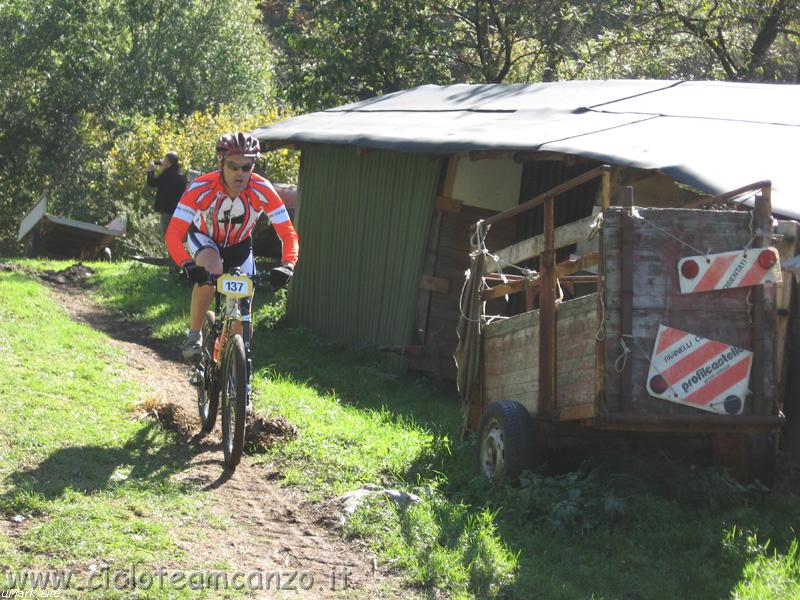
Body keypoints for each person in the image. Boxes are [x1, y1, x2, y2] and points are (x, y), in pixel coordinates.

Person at [164, 132, 299, 362]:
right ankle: (194, 335)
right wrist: (187, 264)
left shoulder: (262, 189)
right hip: (204, 239)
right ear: (220, 163)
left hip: (240, 246)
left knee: (243, 315)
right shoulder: (201, 187)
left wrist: (287, 265)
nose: (240, 173)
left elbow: (287, 233)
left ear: (252, 166)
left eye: (246, 167)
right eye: (233, 166)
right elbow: (174, 234)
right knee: (212, 269)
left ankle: (236, 374)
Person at [146, 151, 187, 236]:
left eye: (164, 160)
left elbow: (152, 182)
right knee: (176, 237)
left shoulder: (166, 175)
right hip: (179, 212)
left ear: (168, 163)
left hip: (167, 213)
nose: (162, 162)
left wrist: (150, 171)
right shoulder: (181, 174)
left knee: (168, 237)